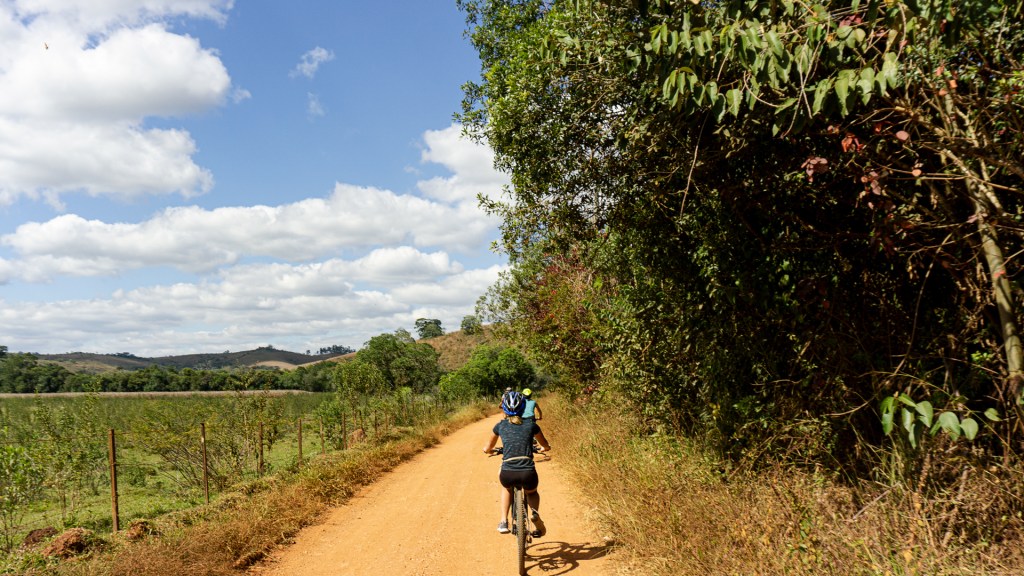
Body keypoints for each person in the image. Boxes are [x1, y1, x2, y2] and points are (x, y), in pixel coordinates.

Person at [484, 390, 551, 536]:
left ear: (504, 409)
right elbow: (545, 445)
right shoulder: (532, 425)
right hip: (528, 473)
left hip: (508, 472)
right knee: (532, 492)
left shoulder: (500, 426)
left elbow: (487, 448)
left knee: (506, 488)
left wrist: (491, 451)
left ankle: (503, 521)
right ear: (523, 407)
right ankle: (534, 514)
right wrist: (542, 448)